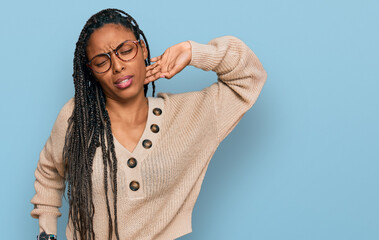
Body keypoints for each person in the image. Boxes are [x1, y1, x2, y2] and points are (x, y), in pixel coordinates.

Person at [30, 8, 267, 240]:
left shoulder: (189, 116)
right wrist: (47, 234)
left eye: (125, 50)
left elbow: (249, 76)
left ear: (142, 48)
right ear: (91, 71)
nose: (117, 66)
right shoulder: (78, 118)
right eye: (102, 61)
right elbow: (49, 172)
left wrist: (192, 51)